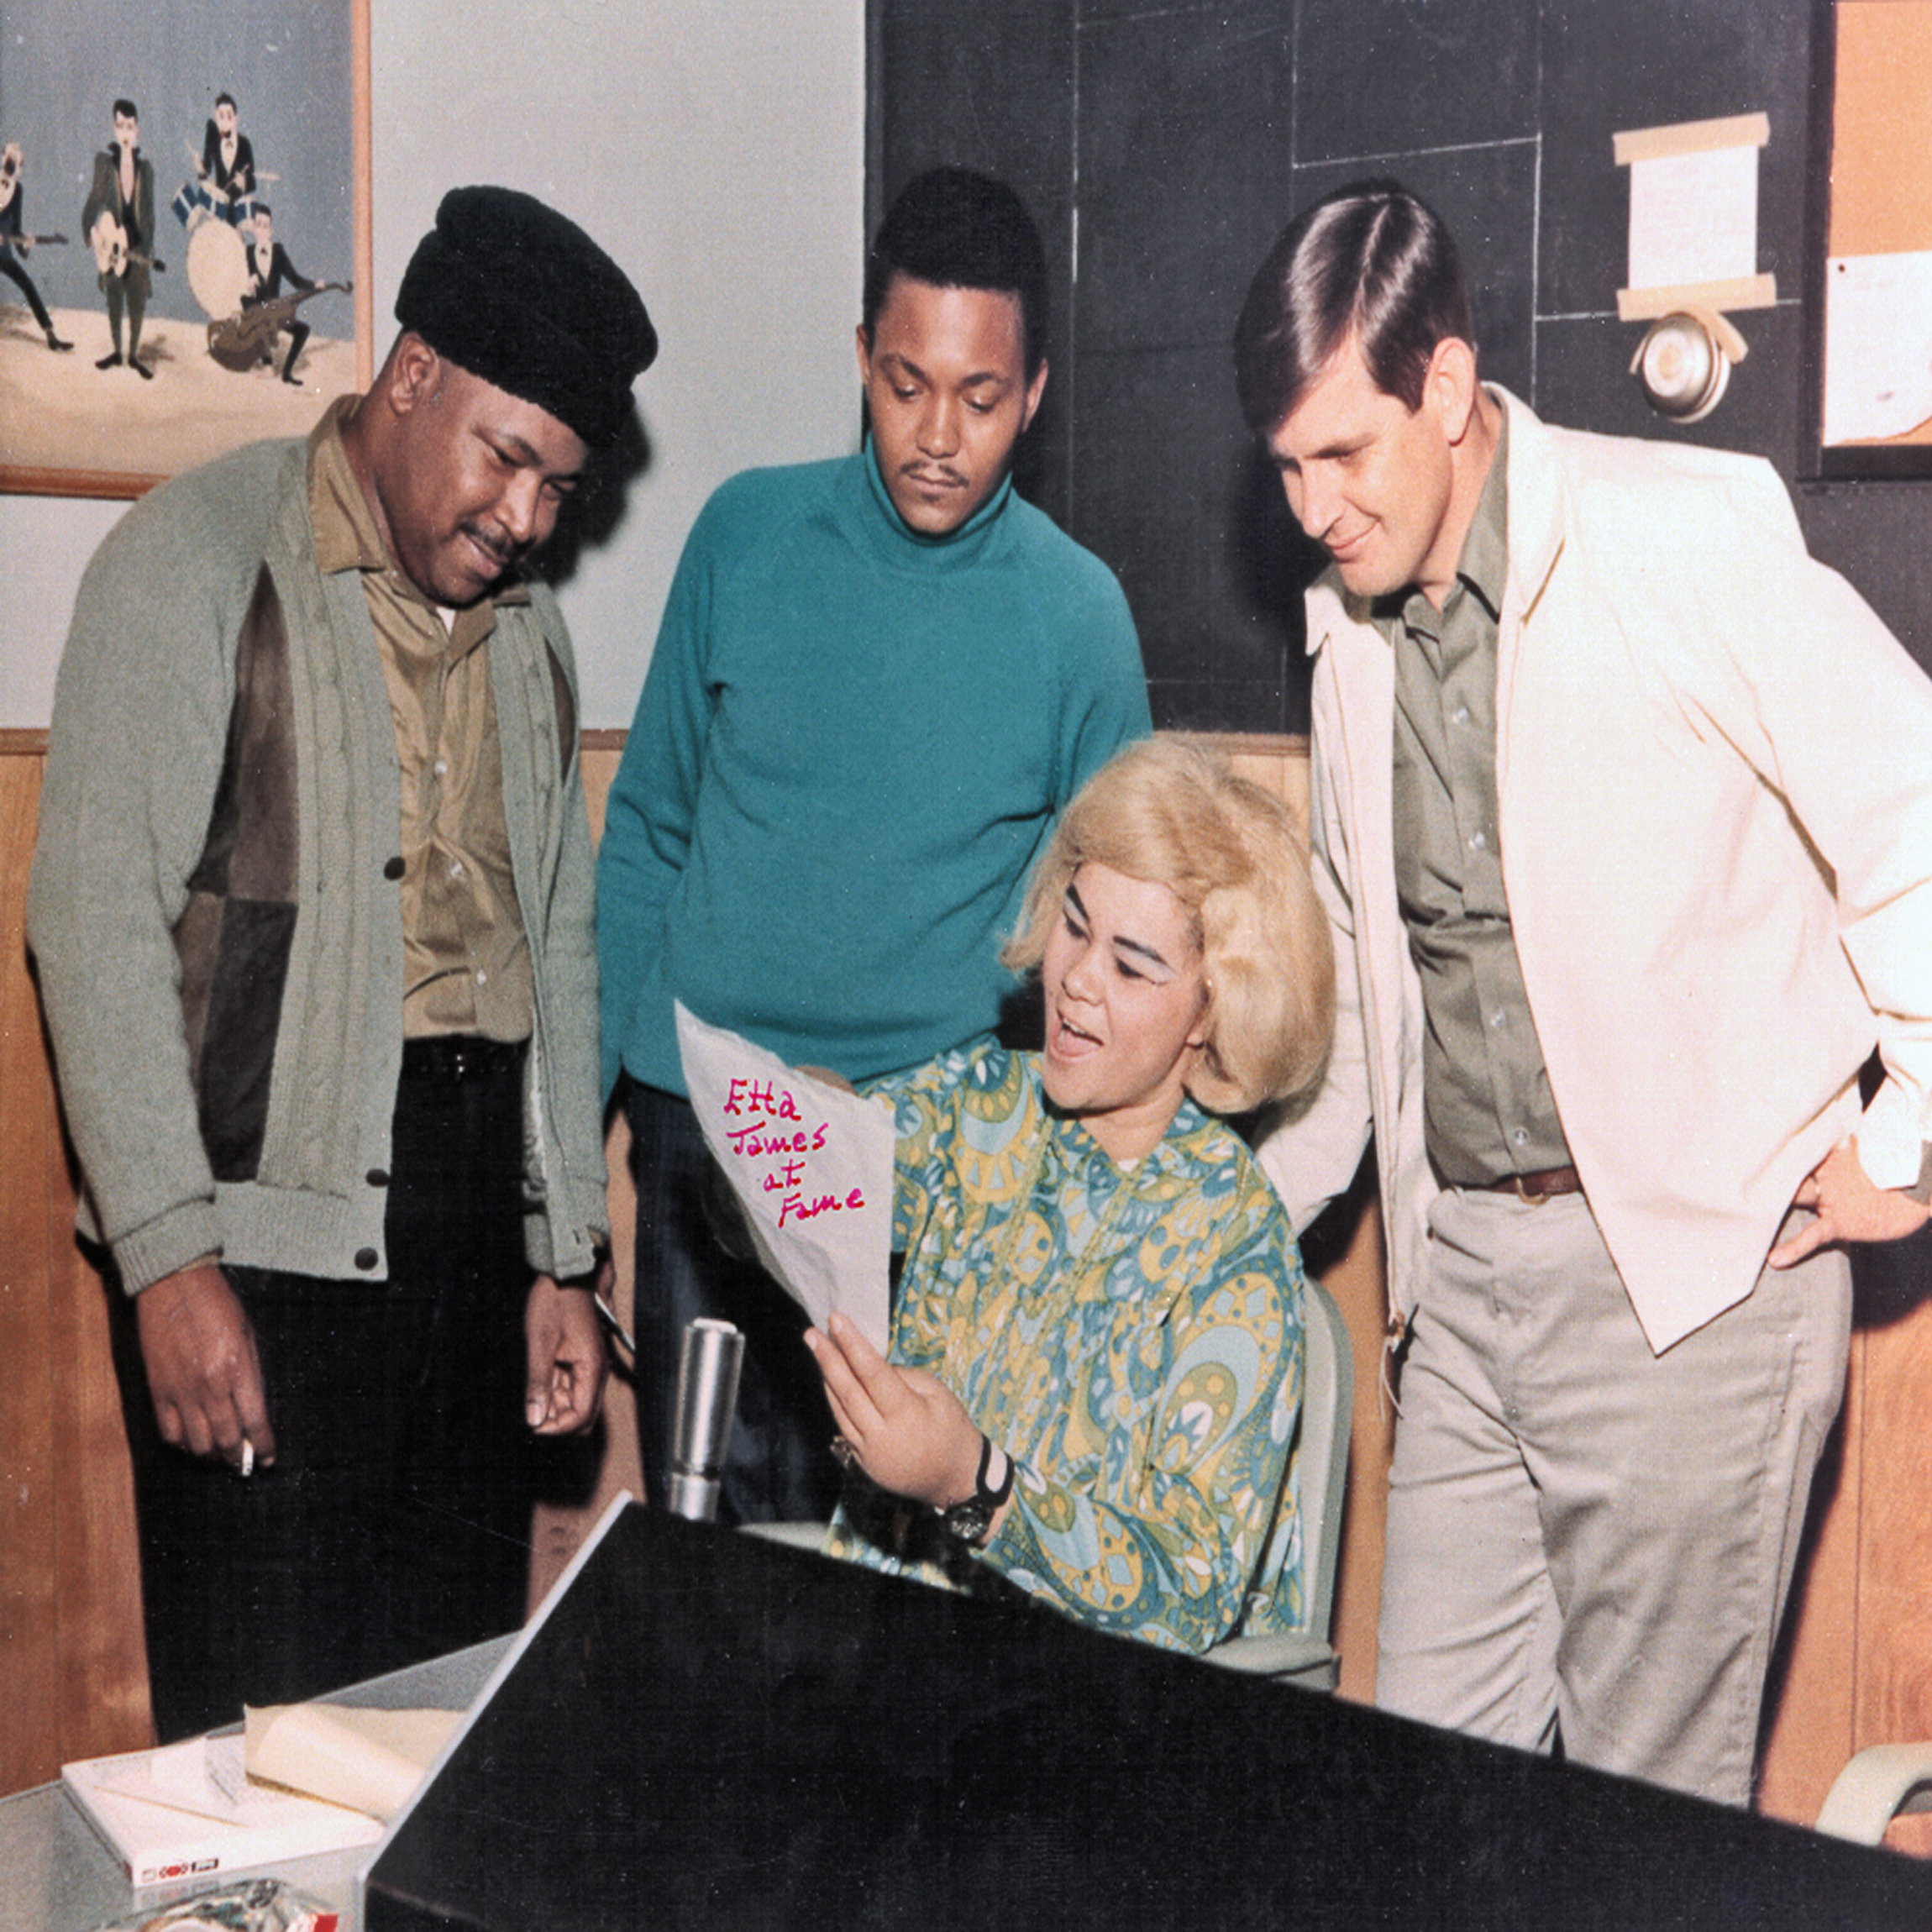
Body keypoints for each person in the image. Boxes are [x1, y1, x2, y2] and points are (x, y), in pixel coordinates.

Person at [1236, 179, 1932, 1805]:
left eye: (1347, 453)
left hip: (1689, 1297)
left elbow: (1916, 806)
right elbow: (1370, 987)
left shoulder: (1676, 534)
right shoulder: (1343, 624)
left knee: (1641, 1844)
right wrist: (1222, 1209)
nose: (1313, 508)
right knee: (1425, 1813)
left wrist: (1903, 1146)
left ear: (1454, 387)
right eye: (1284, 466)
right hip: (1463, 1282)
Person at [29, 185, 656, 1741]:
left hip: (465, 1234)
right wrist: (170, 1263)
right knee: (257, 1755)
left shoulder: (530, 638)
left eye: (560, 490)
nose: (524, 521)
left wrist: (560, 1253)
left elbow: (555, 941)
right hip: (262, 1252)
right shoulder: (188, 564)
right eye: (508, 460)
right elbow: (91, 919)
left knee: (429, 1730)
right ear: (412, 373)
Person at [598, 165, 1150, 1526]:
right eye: (905, 385)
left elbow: (1129, 934)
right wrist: (624, 1120)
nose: (938, 437)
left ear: (1033, 394)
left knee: (893, 1591)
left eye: (979, 398)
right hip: (707, 1142)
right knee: (706, 1581)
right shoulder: (743, 536)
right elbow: (649, 830)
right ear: (859, 357)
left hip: (933, 1170)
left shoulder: (1079, 616)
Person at [806, 738, 1336, 1653]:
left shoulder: (1233, 1240)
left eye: (1132, 966)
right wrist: (795, 1131)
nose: (1078, 979)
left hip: (1096, 1726)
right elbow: (816, 1186)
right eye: (1074, 924)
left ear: (1212, 1013)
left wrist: (971, 1481)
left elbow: (1195, 1584)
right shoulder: (978, 1102)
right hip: (886, 1661)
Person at [82, 99, 156, 377]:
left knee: (136, 300)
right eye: (120, 126)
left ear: (137, 130)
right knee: (114, 296)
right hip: (112, 243)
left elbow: (149, 215)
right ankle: (116, 351)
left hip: (136, 245)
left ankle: (134, 355)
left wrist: (147, 251)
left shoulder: (146, 169)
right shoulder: (104, 164)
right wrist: (93, 231)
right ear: (114, 130)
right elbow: (94, 201)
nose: (125, 132)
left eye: (130, 126)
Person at [0, 141, 73, 352]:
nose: (10, 166)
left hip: (4, 255)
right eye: (8, 160)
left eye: (15, 163)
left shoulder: (17, 190)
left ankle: (50, 335)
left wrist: (27, 244)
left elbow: (16, 232)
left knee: (28, 285)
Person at [239, 206, 317, 384]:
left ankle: (287, 373)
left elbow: (295, 280)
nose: (262, 229)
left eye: (266, 225)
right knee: (251, 308)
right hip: (258, 314)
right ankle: (267, 364)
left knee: (303, 330)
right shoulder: (249, 252)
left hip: (276, 312)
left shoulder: (278, 251)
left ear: (271, 230)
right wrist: (249, 284)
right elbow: (241, 283)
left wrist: (314, 285)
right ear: (253, 228)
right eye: (258, 224)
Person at [173, 92, 257, 230]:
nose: (224, 121)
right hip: (219, 207)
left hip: (237, 210)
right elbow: (206, 171)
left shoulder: (244, 144)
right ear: (216, 118)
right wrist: (200, 169)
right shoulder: (213, 141)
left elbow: (252, 182)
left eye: (229, 116)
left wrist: (244, 183)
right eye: (221, 116)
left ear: (236, 119)